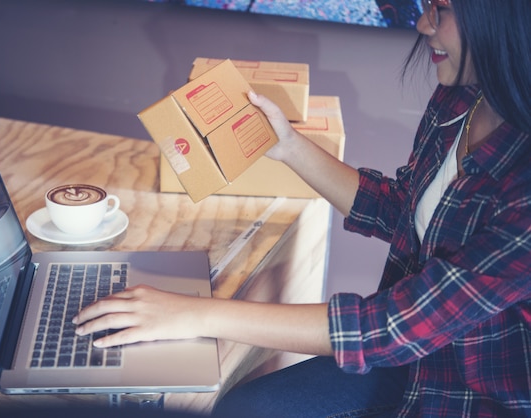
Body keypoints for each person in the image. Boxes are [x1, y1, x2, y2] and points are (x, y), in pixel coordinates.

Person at [73, 0, 531, 416]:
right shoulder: (461, 98)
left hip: (469, 395)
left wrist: (195, 312)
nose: (422, 22)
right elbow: (401, 211)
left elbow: (391, 324)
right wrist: (288, 145)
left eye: (442, 8)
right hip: (411, 359)